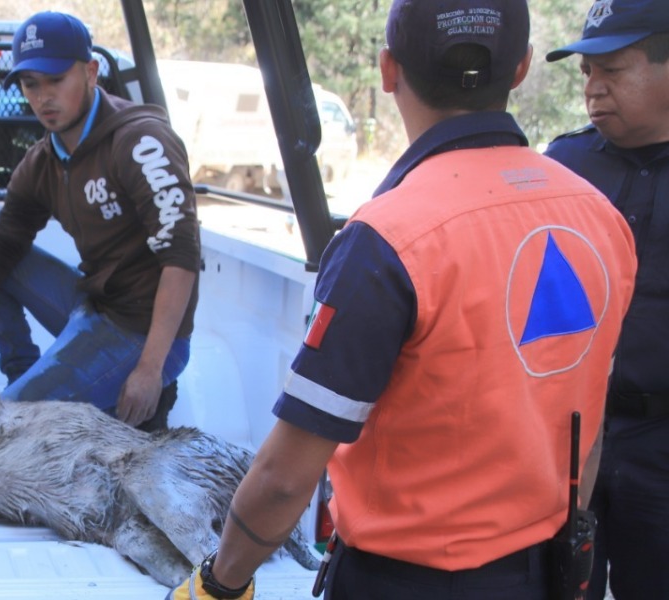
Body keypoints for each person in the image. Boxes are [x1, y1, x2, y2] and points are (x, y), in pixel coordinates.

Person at [168, 0, 638, 598]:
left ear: (388, 71)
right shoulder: (599, 218)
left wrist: (221, 581)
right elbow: (589, 427)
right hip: (554, 570)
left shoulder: (388, 240)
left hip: (408, 581)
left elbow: (286, 478)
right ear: (520, 69)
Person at [0, 11, 201, 429]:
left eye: (56, 79)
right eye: (30, 83)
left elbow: (182, 257)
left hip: (146, 333)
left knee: (5, 424)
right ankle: (25, 375)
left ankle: (32, 401)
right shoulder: (42, 162)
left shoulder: (140, 141)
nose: (42, 97)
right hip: (93, 305)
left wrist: (150, 370)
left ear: (90, 72)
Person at [543, 1, 669, 598]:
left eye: (613, 70)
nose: (594, 88)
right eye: (586, 73)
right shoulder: (561, 168)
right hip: (567, 439)